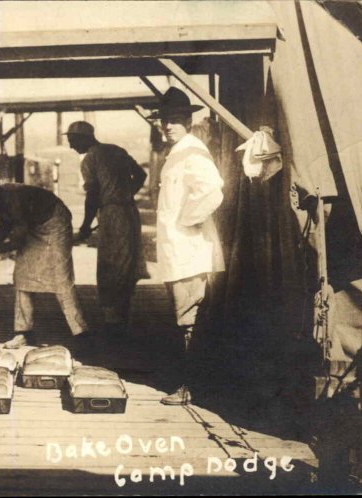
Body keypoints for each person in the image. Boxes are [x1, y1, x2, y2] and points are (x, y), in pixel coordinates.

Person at [0, 136, 91, 349]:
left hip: (54, 222)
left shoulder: (11, 199)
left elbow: (17, 239)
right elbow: (5, 224)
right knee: (22, 276)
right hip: (33, 224)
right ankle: (24, 332)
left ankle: (80, 332)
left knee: (60, 278)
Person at [150, 87, 225, 406]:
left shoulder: (192, 151)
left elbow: (212, 191)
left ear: (189, 120)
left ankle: (192, 386)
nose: (169, 125)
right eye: (165, 119)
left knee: (189, 321)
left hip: (189, 250)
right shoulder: (177, 151)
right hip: (177, 251)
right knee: (184, 318)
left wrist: (187, 220)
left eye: (176, 119)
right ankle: (190, 381)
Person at [68, 121, 148, 338]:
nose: (71, 146)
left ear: (84, 138)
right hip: (130, 213)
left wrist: (85, 226)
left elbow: (92, 195)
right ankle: (122, 318)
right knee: (126, 265)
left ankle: (114, 326)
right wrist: (125, 195)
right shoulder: (116, 150)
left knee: (110, 266)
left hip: (112, 216)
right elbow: (141, 175)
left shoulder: (89, 159)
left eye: (73, 141)